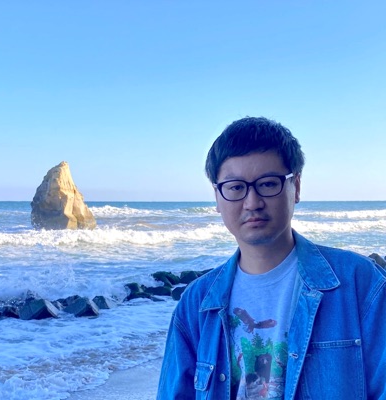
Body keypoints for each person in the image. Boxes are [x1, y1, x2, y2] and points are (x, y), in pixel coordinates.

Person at [157, 117, 386, 399]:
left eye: (267, 184)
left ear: (296, 187)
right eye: (235, 187)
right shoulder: (196, 304)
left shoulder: (360, 283)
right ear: (217, 197)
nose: (252, 202)